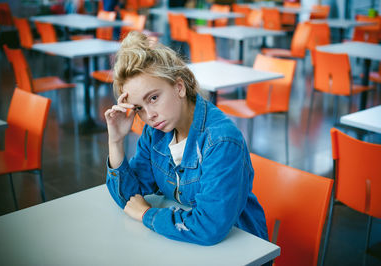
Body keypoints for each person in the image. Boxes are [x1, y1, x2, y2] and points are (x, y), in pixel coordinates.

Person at [104, 31, 268, 245]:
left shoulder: (221, 141)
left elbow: (209, 226)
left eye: (153, 98)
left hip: (240, 246)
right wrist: (115, 141)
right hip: (187, 241)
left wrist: (147, 215)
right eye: (138, 108)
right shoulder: (156, 132)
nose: (149, 116)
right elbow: (130, 199)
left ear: (179, 87)